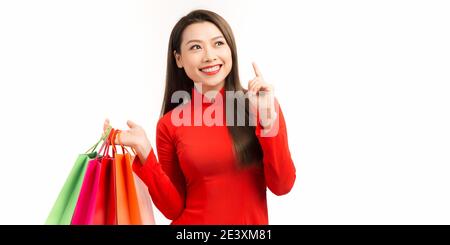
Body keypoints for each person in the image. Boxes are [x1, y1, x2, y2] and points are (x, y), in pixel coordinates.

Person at [104, 9, 296, 224]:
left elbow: (282, 185)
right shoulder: (170, 124)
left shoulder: (261, 104)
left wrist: (267, 119)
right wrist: (144, 151)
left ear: (230, 49)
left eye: (218, 43)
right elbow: (173, 209)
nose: (209, 56)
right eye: (196, 47)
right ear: (179, 59)